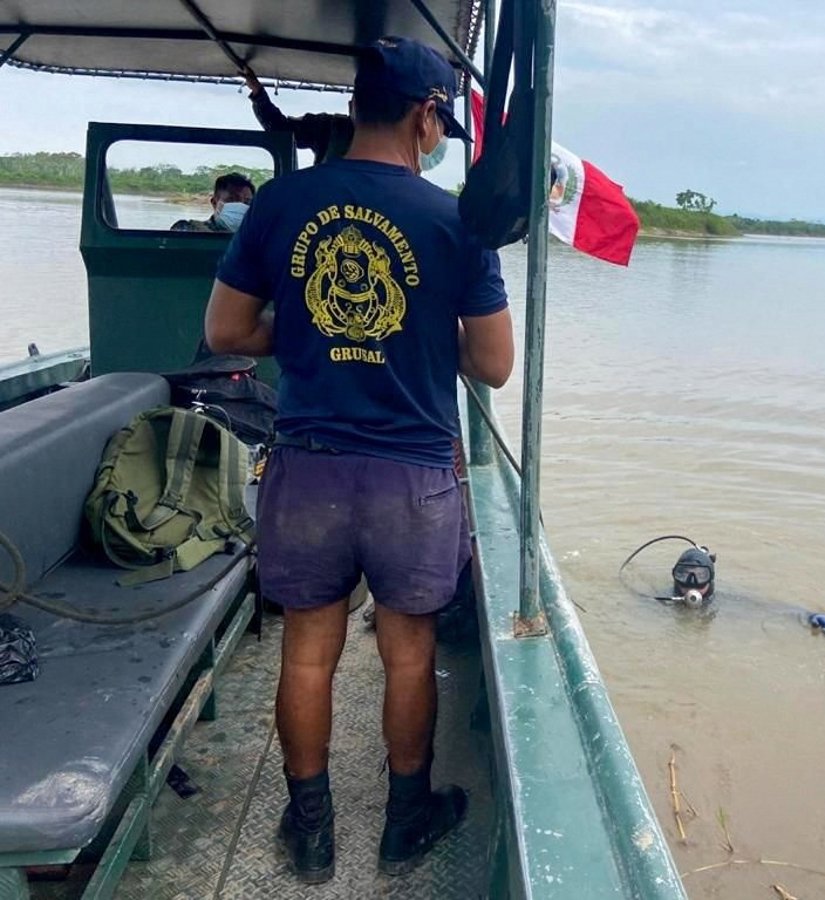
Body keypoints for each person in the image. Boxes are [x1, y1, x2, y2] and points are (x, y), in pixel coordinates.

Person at [203, 36, 513, 884]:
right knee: (408, 655)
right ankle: (405, 822)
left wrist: (306, 335)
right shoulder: (457, 222)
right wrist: (421, 336)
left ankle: (311, 833)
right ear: (425, 116)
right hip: (412, 479)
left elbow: (225, 332)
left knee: (309, 653)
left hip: (308, 469)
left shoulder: (280, 202)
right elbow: (493, 364)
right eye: (442, 121)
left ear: (354, 107)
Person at [241, 67, 355, 164]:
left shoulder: (327, 126)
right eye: (362, 101)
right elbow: (281, 129)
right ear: (351, 105)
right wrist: (258, 93)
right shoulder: (326, 126)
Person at [170, 172, 255, 232]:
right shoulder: (189, 228)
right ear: (214, 203)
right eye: (232, 200)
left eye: (247, 202)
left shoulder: (256, 238)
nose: (241, 206)